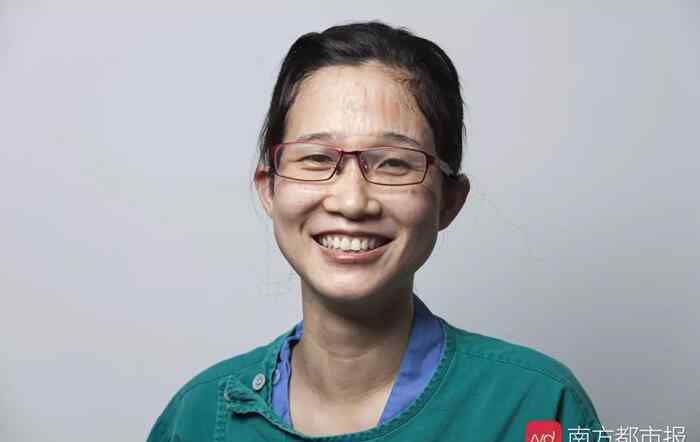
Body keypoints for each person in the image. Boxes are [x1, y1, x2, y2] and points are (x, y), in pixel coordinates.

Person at [147, 21, 604, 442]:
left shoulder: (538, 408)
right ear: (269, 188)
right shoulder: (200, 417)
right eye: (316, 158)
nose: (351, 202)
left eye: (393, 163)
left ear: (449, 200)